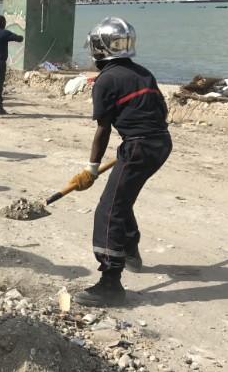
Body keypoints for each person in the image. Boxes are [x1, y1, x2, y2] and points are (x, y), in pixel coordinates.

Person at [71, 17, 173, 307]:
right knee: (121, 195)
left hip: (139, 146)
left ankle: (110, 283)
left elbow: (103, 129)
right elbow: (160, 111)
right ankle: (130, 249)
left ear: (100, 48)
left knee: (109, 209)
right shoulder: (144, 73)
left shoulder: (105, 80)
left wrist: (91, 168)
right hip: (160, 143)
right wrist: (131, 143)